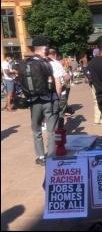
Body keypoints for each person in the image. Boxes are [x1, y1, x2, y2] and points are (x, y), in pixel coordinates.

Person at [27, 36, 62, 165]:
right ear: (46, 48)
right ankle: (51, 156)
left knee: (36, 129)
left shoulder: (27, 63)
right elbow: (58, 85)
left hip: (34, 101)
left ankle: (40, 156)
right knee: (51, 130)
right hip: (50, 101)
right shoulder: (52, 63)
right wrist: (57, 100)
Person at [48, 49, 71, 128]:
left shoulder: (43, 63)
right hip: (60, 92)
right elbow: (67, 78)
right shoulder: (57, 64)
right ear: (55, 55)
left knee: (50, 113)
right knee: (60, 113)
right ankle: (59, 131)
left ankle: (51, 130)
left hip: (47, 93)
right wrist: (66, 68)